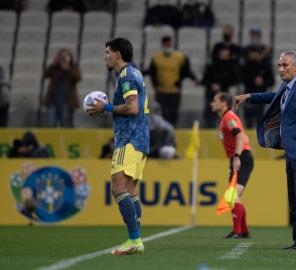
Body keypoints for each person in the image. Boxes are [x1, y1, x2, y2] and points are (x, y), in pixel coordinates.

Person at [235, 50, 296, 250]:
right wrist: (249, 97)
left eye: (285, 65)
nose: (281, 69)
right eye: (279, 65)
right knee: (294, 198)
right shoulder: (288, 86)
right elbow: (272, 97)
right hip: (292, 151)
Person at [88, 37, 149, 255]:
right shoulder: (134, 73)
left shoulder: (126, 75)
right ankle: (137, 240)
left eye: (107, 52)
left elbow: (132, 108)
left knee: (117, 187)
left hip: (129, 138)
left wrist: (106, 106)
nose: (105, 56)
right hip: (140, 138)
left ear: (118, 54)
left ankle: (134, 240)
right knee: (131, 191)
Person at [211, 92, 254, 238]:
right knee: (233, 197)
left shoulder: (229, 117)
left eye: (215, 101)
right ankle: (243, 231)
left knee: (233, 196)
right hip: (238, 157)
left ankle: (237, 231)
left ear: (224, 103)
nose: (212, 103)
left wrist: (237, 156)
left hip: (242, 157)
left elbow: (240, 135)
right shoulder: (224, 119)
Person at [147, 35, 198, 127]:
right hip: (160, 91)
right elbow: (151, 71)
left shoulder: (180, 57)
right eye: (165, 45)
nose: (167, 46)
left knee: (173, 113)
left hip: (174, 91)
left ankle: (172, 130)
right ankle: (162, 132)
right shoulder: (156, 58)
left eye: (169, 44)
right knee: (161, 114)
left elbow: (187, 70)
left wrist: (194, 79)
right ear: (162, 45)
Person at [43, 48, 81, 127]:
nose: (63, 58)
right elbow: (46, 74)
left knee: (66, 122)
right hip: (53, 100)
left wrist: (67, 68)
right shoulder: (55, 68)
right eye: (61, 56)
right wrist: (54, 63)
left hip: (67, 101)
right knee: (51, 122)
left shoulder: (73, 67)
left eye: (65, 56)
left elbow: (77, 78)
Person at [201, 48, 239, 128]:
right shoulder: (211, 66)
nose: (224, 56)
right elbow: (204, 80)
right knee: (209, 116)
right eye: (223, 54)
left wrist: (221, 85)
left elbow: (235, 79)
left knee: (225, 117)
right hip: (211, 95)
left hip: (224, 97)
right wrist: (212, 85)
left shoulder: (231, 67)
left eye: (226, 54)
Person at [240, 47, 274, 128]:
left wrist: (263, 82)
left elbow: (271, 81)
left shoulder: (266, 66)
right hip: (249, 96)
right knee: (248, 121)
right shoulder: (248, 65)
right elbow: (242, 78)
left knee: (260, 122)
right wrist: (253, 81)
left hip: (261, 99)